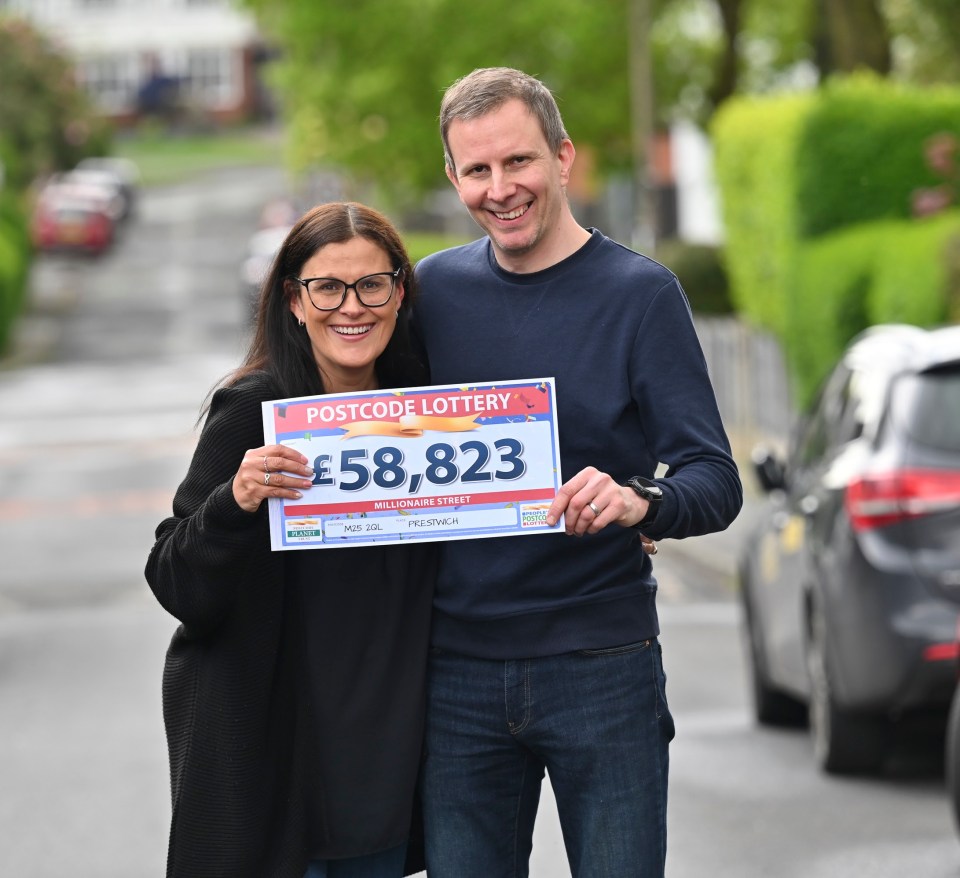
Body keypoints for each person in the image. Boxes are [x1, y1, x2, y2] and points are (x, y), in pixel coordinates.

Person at [411, 67, 743, 878]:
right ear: (454, 178)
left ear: (564, 157)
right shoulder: (429, 291)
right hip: (455, 675)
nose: (501, 188)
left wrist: (641, 501)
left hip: (603, 664)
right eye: (478, 171)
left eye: (518, 162)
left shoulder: (641, 295)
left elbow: (714, 477)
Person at [145, 202, 436, 878]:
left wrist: (580, 528)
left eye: (372, 284)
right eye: (326, 287)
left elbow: (486, 525)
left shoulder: (427, 414)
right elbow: (175, 580)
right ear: (294, 301)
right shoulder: (254, 409)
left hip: (382, 759)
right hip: (275, 758)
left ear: (399, 291)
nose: (351, 306)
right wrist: (235, 502)